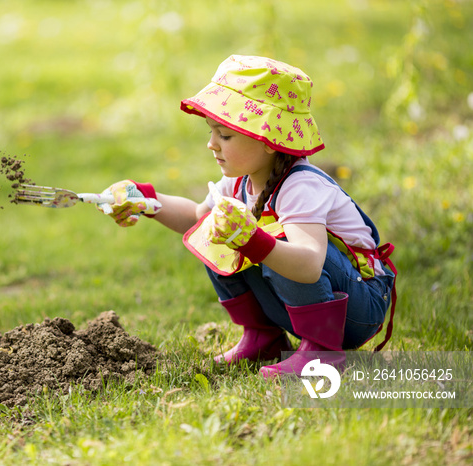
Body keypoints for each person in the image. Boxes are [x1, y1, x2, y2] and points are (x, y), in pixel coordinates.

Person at [97, 55, 397, 378]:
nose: (211, 144)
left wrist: (253, 241)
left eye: (225, 135)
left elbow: (309, 264)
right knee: (213, 226)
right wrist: (146, 200)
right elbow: (195, 217)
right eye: (212, 132)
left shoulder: (299, 186)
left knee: (271, 235)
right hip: (318, 300)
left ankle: (321, 352)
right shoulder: (239, 181)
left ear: (268, 139)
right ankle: (262, 337)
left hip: (358, 306)